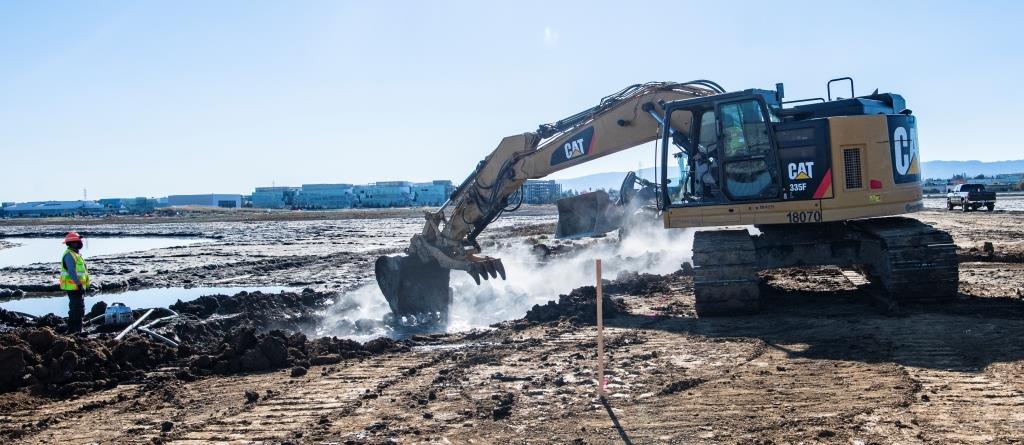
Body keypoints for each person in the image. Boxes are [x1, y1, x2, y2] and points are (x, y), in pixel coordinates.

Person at [59, 231, 90, 333]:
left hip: (77, 287)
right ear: (72, 243)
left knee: (76, 308)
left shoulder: (75, 254)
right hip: (74, 287)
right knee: (77, 309)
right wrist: (79, 284)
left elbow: (81, 272)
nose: (80, 243)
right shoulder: (69, 255)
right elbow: (71, 271)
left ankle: (74, 330)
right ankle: (76, 331)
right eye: (78, 241)